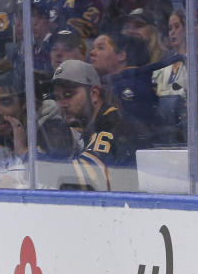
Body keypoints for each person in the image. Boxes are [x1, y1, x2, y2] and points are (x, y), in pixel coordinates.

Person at [52, 59, 145, 190]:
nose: (62, 104)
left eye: (68, 95)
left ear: (94, 94)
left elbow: (80, 179)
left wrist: (27, 158)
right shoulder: (91, 126)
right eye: (58, 97)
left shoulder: (113, 124)